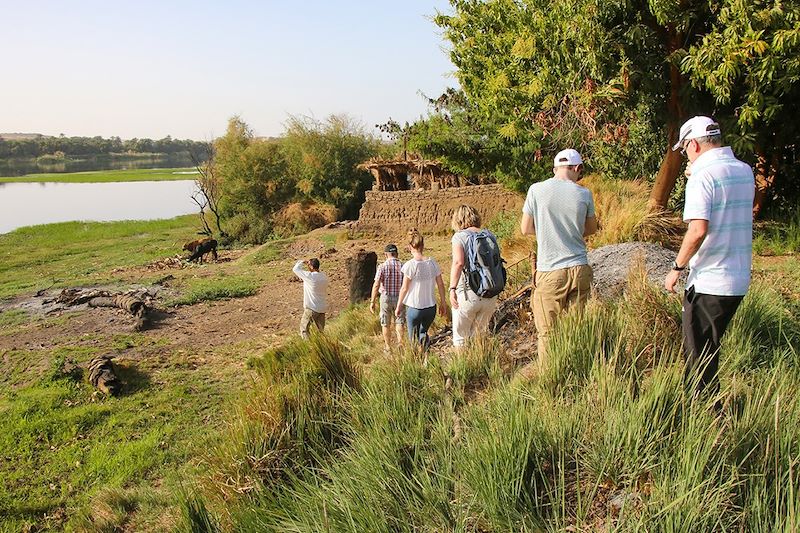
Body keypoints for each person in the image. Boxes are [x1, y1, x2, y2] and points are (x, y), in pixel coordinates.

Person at [664, 116, 754, 397]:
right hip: (737, 278)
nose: (685, 155)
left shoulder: (703, 176)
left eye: (684, 149)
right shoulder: (744, 170)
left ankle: (706, 425)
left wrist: (677, 267)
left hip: (710, 281)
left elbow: (697, 230)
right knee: (708, 352)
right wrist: (698, 172)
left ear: (693, 144)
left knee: (699, 362)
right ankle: (706, 414)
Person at [521, 148, 598, 362]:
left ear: (555, 169)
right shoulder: (584, 194)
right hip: (580, 268)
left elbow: (526, 228)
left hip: (550, 270)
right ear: (577, 168)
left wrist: (547, 229)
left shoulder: (536, 190)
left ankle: (551, 381)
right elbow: (591, 228)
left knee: (547, 334)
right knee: (575, 330)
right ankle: (577, 372)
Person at [449, 205, 501, 349]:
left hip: (468, 293)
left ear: (458, 219)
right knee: (479, 336)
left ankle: (465, 370)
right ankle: (481, 366)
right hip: (490, 293)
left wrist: (452, 288)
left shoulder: (459, 237)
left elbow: (458, 262)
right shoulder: (489, 235)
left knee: (461, 339)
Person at [395, 229, 447, 351]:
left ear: (409, 246)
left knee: (412, 337)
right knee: (423, 333)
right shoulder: (432, 262)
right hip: (430, 306)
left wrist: (399, 305)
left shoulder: (410, 265)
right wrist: (443, 302)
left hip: (415, 306)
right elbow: (440, 284)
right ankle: (425, 357)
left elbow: (404, 288)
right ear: (423, 245)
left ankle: (415, 362)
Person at [370, 243, 405, 351]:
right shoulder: (402, 266)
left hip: (386, 297)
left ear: (386, 254)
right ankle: (400, 344)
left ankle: (388, 347)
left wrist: (372, 301)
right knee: (399, 321)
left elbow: (376, 285)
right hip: (400, 297)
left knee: (385, 323)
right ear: (396, 254)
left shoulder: (382, 267)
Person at [292, 258, 329, 339]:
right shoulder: (324, 277)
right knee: (321, 331)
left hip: (312, 308)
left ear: (311, 267)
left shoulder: (310, 276)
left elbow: (295, 269)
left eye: (308, 265)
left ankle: (309, 346)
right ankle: (323, 346)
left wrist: (302, 262)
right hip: (322, 308)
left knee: (304, 329)